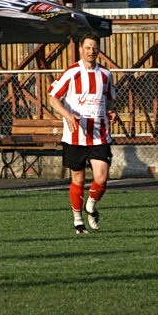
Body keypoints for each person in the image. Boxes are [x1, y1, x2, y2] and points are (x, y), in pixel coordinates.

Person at [48, 34, 117, 235]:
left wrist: (111, 111)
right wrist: (68, 116)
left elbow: (109, 99)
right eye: (87, 47)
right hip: (75, 135)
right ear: (81, 49)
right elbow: (53, 98)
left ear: (98, 50)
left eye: (94, 47)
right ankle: (78, 221)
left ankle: (91, 206)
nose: (91, 51)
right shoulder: (72, 72)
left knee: (101, 177)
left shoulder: (105, 74)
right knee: (78, 179)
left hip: (100, 134)